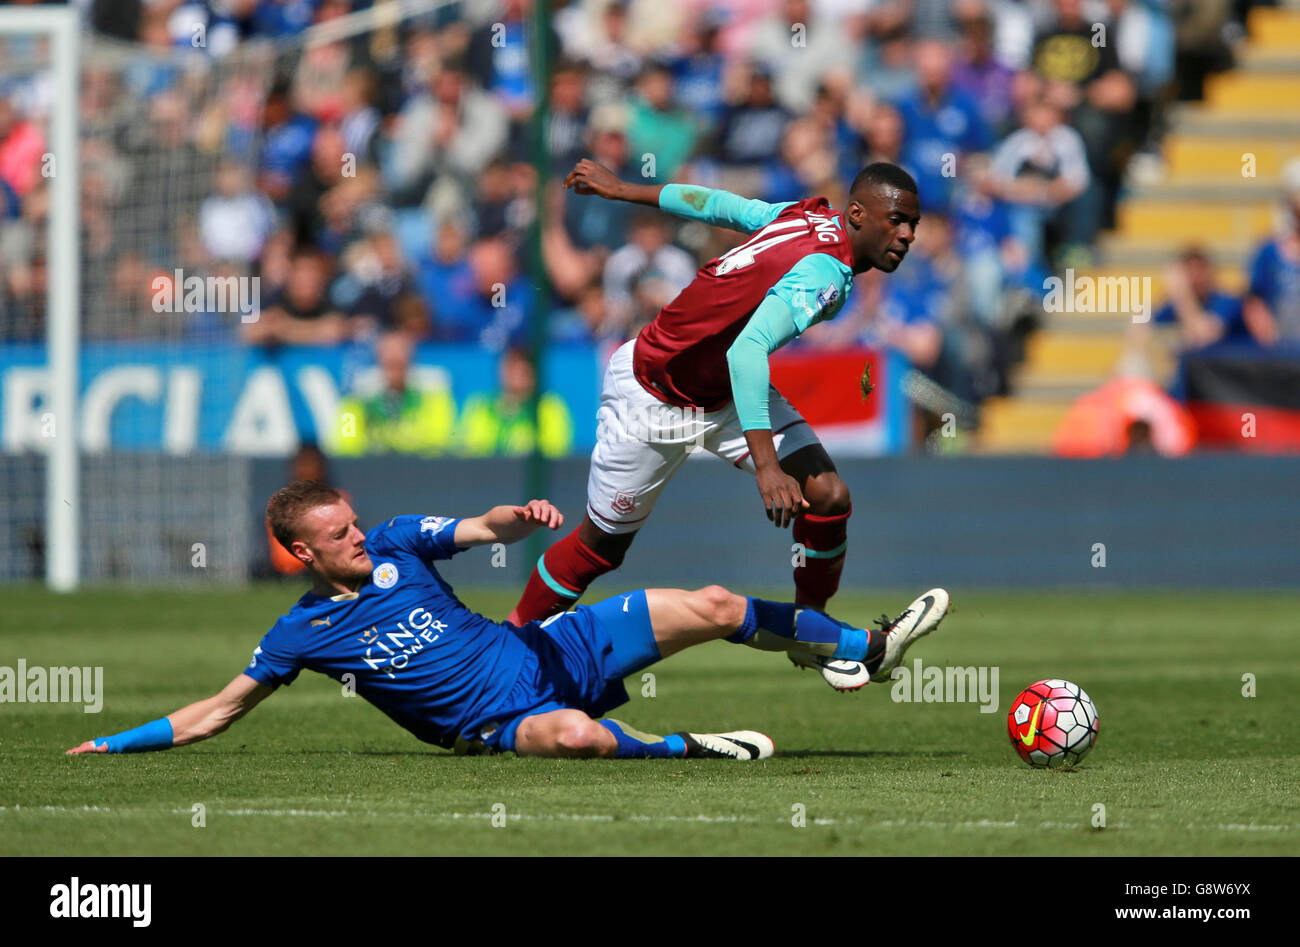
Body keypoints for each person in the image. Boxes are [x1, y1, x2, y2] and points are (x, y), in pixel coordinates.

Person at [67, 482, 951, 760]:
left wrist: (512, 520)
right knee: (578, 740)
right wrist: (115, 743)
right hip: (502, 722)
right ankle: (684, 747)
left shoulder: (396, 544)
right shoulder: (299, 636)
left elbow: (474, 529)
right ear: (301, 554)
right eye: (335, 532)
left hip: (548, 647)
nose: (354, 533)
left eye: (351, 519)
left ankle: (866, 649)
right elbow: (217, 710)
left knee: (716, 603)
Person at [506, 156, 923, 692]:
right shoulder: (828, 273)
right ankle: (510, 638)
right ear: (860, 214)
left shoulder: (804, 214)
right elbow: (748, 351)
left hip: (723, 394)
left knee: (828, 496)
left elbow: (717, 204)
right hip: (653, 396)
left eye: (914, 222)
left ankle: (812, 632)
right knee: (600, 549)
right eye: (898, 220)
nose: (908, 234)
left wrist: (624, 189)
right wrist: (767, 468)